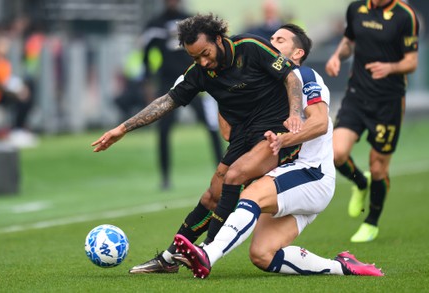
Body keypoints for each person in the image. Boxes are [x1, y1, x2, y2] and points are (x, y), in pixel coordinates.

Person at [91, 13, 303, 274]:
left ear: (218, 39)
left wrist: (295, 114)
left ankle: (207, 251)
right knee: (212, 196)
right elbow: (167, 101)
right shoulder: (200, 72)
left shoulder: (250, 47)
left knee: (234, 176)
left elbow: (292, 77)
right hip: (243, 135)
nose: (203, 61)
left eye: (205, 53)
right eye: (195, 57)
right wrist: (123, 128)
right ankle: (169, 259)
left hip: (277, 133)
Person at [173, 24, 384, 279]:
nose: (271, 43)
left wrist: (285, 140)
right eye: (271, 38)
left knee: (249, 195)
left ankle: (208, 253)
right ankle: (342, 266)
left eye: (280, 40)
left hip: (311, 173)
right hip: (293, 182)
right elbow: (229, 133)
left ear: (297, 54)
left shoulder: (304, 76)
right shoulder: (265, 84)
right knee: (262, 254)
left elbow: (320, 123)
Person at [325, 0, 419, 242]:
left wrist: (390, 67)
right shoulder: (356, 8)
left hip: (388, 102)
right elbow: (349, 42)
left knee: (378, 167)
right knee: (336, 153)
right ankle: (360, 181)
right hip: (357, 96)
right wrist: (337, 56)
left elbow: (411, 61)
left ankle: (371, 222)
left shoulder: (405, 16)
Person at [141, 0, 223, 190]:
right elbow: (146, 56)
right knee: (163, 130)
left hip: (194, 80)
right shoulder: (155, 23)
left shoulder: (191, 20)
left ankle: (222, 171)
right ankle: (165, 178)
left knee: (211, 125)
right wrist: (147, 84)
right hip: (167, 83)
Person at [0, 21, 36, 147]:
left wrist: (20, 89)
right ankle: (17, 131)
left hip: (0, 94)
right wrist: (16, 93)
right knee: (20, 98)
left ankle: (19, 129)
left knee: (28, 89)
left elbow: (7, 80)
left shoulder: (4, 62)